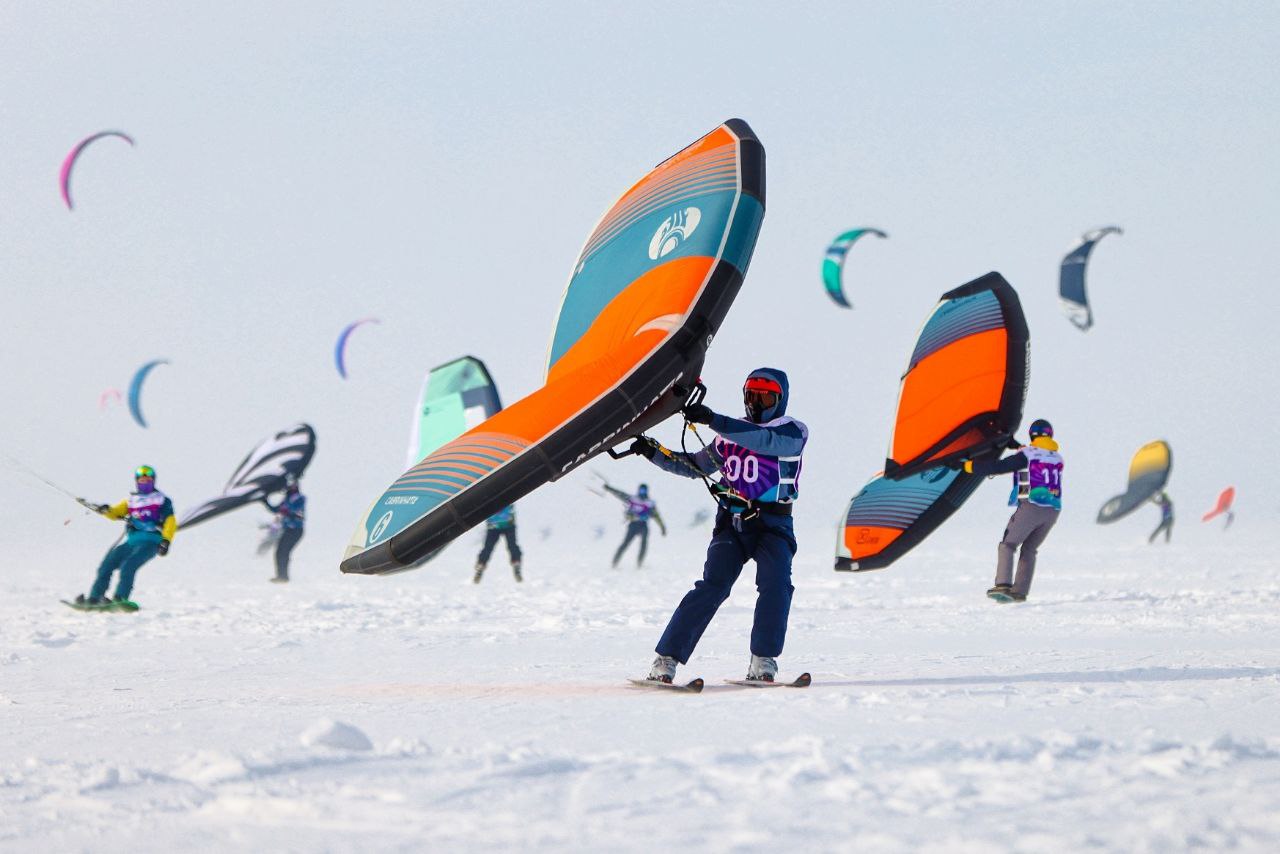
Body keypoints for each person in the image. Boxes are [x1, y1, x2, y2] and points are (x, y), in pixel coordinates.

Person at [631, 368, 807, 684]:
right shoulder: (726, 438)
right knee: (712, 586)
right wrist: (653, 452)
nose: (756, 403)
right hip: (733, 523)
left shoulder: (792, 432)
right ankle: (666, 660)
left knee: (776, 585)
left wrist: (713, 419)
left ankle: (763, 661)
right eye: (751, 395)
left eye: (765, 396)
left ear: (779, 399)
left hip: (774, 524)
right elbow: (694, 466)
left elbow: (764, 441)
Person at [959, 419, 1062, 604]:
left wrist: (968, 466)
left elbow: (999, 467)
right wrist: (1013, 444)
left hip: (1031, 507)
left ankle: (1003, 585)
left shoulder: (1028, 454)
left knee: (1007, 545)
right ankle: (1020, 592)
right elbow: (1032, 456)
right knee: (1030, 549)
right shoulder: (1056, 456)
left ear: (1032, 435)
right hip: (1053, 510)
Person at [74, 465, 176, 611]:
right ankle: (94, 598)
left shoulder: (162, 501)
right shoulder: (131, 500)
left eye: (148, 480)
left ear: (153, 481)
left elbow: (170, 521)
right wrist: (106, 510)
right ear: (137, 481)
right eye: (142, 480)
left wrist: (166, 541)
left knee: (128, 566)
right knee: (106, 565)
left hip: (150, 542)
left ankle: (120, 598)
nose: (145, 482)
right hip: (131, 542)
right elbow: (115, 513)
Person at [605, 483, 666, 568]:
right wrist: (609, 488)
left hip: (643, 525)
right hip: (633, 524)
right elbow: (619, 494)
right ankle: (614, 563)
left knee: (643, 545)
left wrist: (662, 527)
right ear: (638, 490)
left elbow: (657, 516)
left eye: (644, 490)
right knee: (625, 543)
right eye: (641, 490)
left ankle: (639, 564)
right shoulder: (633, 499)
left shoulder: (649, 503)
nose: (642, 492)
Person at [262, 477, 305, 582]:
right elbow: (276, 510)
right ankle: (282, 576)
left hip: (295, 531)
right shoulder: (286, 499)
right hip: (288, 530)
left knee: (283, 552)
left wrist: (287, 512)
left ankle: (283, 577)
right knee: (280, 552)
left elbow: (295, 509)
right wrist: (265, 501)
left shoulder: (299, 498)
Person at [474, 505, 522, 583]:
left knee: (512, 546)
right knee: (488, 548)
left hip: (506, 525)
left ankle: (516, 562)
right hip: (495, 526)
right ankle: (481, 565)